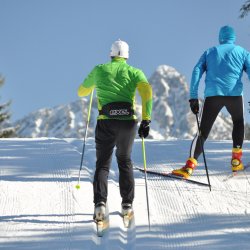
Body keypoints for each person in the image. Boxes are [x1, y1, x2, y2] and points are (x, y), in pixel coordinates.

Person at [78, 39, 152, 221]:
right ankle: (127, 205)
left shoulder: (99, 70)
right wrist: (146, 120)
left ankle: (100, 205)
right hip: (128, 123)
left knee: (103, 164)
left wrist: (93, 86)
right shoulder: (135, 72)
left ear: (111, 53)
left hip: (106, 122)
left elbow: (81, 92)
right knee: (125, 160)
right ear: (127, 55)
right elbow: (147, 92)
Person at [172, 25, 250, 179]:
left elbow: (196, 70)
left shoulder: (210, 52)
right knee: (238, 122)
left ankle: (189, 167)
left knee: (203, 131)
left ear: (220, 37)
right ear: (233, 38)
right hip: (235, 95)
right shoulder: (242, 52)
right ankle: (236, 160)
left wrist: (193, 96)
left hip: (213, 96)